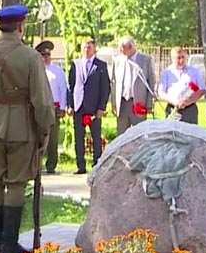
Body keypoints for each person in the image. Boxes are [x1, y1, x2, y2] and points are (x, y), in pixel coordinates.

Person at [0, 5, 56, 253]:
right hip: (21, 129)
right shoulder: (30, 57)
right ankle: (9, 242)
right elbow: (42, 101)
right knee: (15, 184)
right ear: (20, 26)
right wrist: (43, 130)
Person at [67, 39, 110, 175]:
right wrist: (70, 105)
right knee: (78, 138)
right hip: (79, 106)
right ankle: (80, 165)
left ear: (94, 49)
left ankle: (97, 164)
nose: (86, 50)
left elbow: (105, 88)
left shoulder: (100, 65)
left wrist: (101, 107)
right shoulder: (75, 64)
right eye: (84, 47)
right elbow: (71, 86)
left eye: (89, 47)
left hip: (94, 108)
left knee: (95, 137)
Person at [110, 36, 157, 138]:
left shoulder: (146, 60)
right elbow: (113, 83)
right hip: (122, 104)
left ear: (131, 48)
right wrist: (114, 103)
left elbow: (151, 84)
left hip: (139, 103)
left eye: (123, 50)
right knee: (121, 136)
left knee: (140, 136)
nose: (121, 53)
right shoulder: (117, 61)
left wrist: (149, 105)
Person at [38, 41, 68, 174]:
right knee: (38, 136)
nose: (46, 58)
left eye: (48, 55)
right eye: (43, 55)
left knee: (53, 138)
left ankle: (51, 164)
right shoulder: (37, 70)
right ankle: (37, 163)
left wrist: (62, 107)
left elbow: (63, 90)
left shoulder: (57, 71)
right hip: (39, 107)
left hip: (54, 108)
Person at [157, 47, 206, 123]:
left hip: (189, 109)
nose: (181, 60)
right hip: (172, 108)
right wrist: (174, 102)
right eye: (178, 58)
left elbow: (202, 89)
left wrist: (189, 101)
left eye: (183, 57)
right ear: (173, 59)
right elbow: (161, 92)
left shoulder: (194, 71)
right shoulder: (167, 72)